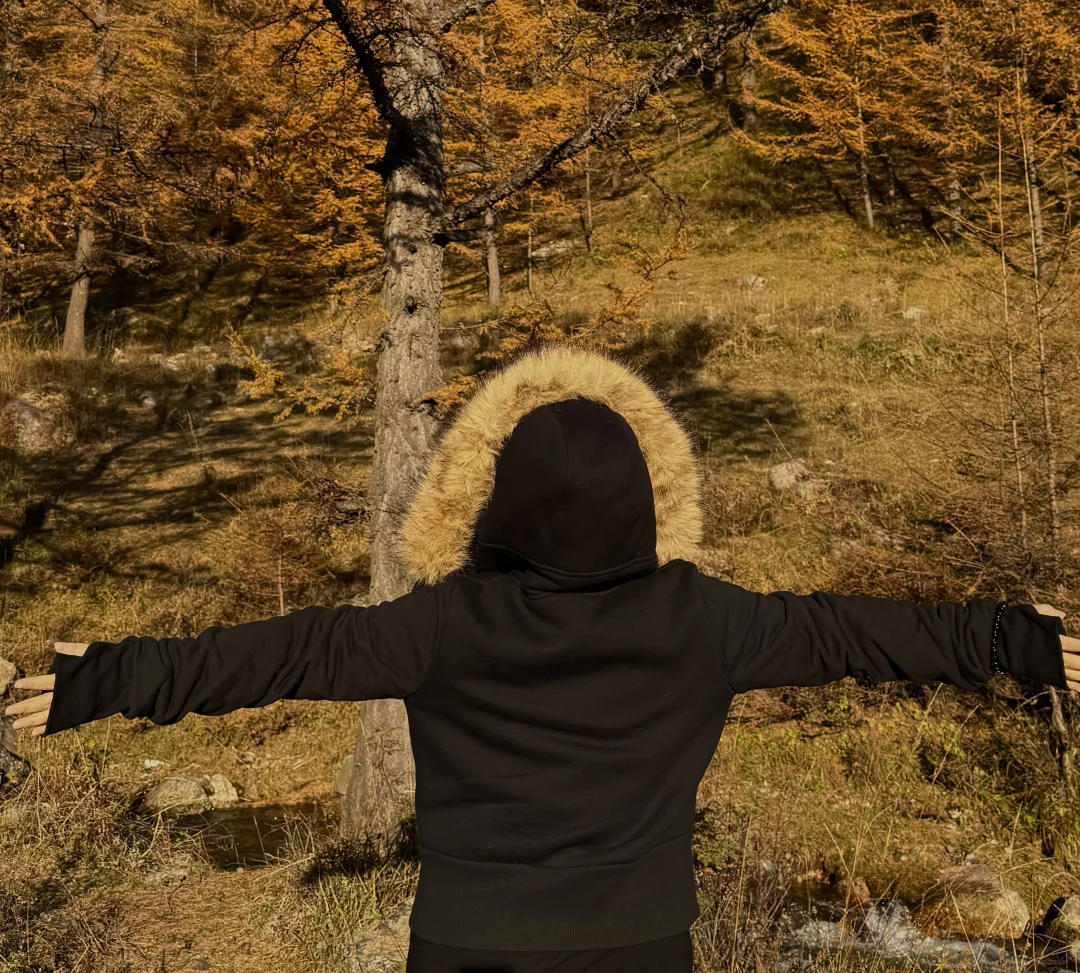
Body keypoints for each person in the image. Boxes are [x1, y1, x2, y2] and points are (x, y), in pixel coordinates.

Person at [6, 346, 1079, 973]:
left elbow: (285, 654)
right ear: (644, 499)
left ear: (504, 502)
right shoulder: (705, 621)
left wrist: (104, 679)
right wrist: (1011, 638)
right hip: (641, 943)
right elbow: (857, 633)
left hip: (469, 942)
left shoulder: (443, 625)